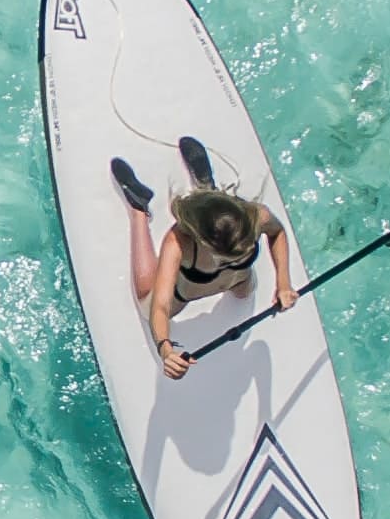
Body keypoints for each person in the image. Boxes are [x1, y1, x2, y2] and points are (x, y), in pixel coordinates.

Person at [111, 136, 292, 377]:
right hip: (185, 293)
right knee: (147, 298)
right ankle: (138, 210)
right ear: (201, 241)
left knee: (245, 291)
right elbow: (161, 307)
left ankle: (208, 190)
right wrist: (166, 349)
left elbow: (277, 233)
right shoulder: (178, 242)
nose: (230, 261)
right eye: (224, 257)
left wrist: (283, 283)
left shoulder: (257, 217)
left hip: (239, 281)